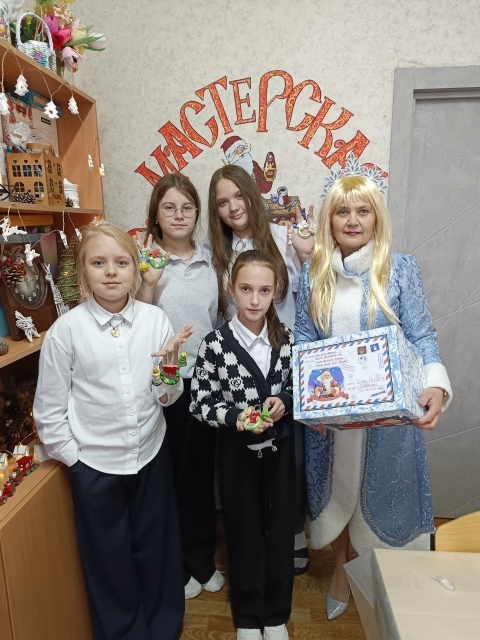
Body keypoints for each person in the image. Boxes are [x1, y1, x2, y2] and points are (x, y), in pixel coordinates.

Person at [294, 174, 452, 620]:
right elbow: (304, 339)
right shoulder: (313, 272)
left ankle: (387, 578)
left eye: (363, 210)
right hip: (333, 420)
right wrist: (309, 406)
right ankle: (342, 571)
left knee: (383, 497)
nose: (353, 220)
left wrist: (435, 385)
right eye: (342, 211)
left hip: (390, 420)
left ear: (376, 217)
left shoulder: (400, 268)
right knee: (339, 497)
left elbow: (422, 335)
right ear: (329, 219)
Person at [34, 221, 193, 640]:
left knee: (156, 549)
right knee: (109, 560)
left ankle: (163, 627)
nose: (111, 272)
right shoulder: (65, 331)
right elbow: (49, 411)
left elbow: (168, 398)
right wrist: (77, 460)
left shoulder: (156, 320)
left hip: (150, 455)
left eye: (122, 262)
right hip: (95, 466)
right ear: (83, 272)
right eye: (98, 263)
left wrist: (168, 371)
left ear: (136, 269)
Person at [208, 164, 313, 573]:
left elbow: (308, 296)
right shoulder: (218, 255)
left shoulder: (285, 238)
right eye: (222, 202)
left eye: (238, 196)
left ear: (252, 194)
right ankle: (253, 541)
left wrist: (306, 257)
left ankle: (293, 531)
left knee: (292, 458)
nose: (233, 207)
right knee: (247, 463)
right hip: (240, 367)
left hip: (283, 362)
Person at [191, 250, 295, 640]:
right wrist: (236, 417)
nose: (254, 299)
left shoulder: (287, 340)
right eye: (246, 289)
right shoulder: (215, 345)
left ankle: (276, 614)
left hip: (281, 450)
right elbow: (200, 402)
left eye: (264, 290)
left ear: (276, 291)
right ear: (231, 288)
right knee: (244, 531)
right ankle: (249, 616)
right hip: (236, 455)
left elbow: (298, 386)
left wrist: (284, 400)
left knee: (281, 532)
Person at [136, 173, 224, 600]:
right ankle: (174, 565)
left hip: (205, 386)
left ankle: (201, 558)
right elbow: (135, 323)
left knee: (200, 477)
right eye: (169, 207)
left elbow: (218, 320)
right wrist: (148, 282)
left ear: (197, 213)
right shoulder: (144, 261)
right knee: (167, 478)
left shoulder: (211, 261)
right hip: (163, 386)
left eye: (187, 207)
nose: (178, 215)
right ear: (156, 213)